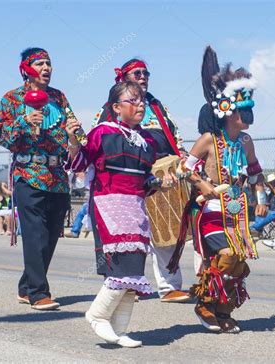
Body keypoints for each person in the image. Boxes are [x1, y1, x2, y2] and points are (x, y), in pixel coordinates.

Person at [66, 81, 173, 347]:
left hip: (135, 208)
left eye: (142, 102)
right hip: (108, 204)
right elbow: (79, 164)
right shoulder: (102, 132)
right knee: (121, 265)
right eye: (132, 101)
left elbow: (143, 181)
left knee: (135, 268)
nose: (140, 106)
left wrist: (160, 183)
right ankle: (97, 315)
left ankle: (119, 329)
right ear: (116, 107)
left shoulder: (148, 141)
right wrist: (72, 141)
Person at [169, 46, 267, 333]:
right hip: (211, 210)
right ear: (226, 111)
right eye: (242, 111)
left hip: (237, 213)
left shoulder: (246, 142)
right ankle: (204, 303)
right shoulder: (208, 140)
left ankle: (223, 310)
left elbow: (256, 173)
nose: (247, 117)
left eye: (250, 111)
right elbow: (183, 168)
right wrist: (203, 184)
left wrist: (260, 198)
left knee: (238, 264)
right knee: (225, 256)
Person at [92, 59, 189, 303]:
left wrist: (182, 155)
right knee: (126, 235)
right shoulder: (110, 109)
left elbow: (174, 135)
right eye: (138, 73)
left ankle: (169, 286)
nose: (144, 76)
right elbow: (96, 147)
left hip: (163, 174)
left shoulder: (156, 105)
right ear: (124, 77)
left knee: (167, 232)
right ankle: (125, 282)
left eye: (146, 72)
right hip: (124, 181)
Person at [0, 47, 74, 310]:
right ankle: (39, 293)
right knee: (35, 234)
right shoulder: (12, 99)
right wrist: (24, 121)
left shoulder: (59, 97)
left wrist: (77, 136)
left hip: (58, 176)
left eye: (49, 63)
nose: (46, 68)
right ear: (26, 69)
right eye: (40, 63)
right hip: (29, 174)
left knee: (50, 237)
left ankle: (26, 286)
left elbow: (72, 128)